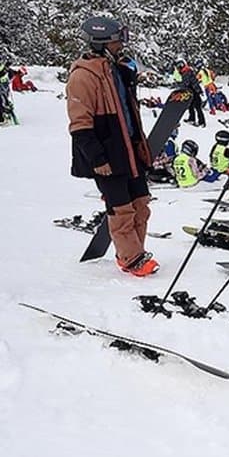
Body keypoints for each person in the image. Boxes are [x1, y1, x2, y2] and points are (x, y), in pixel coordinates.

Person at [66, 16, 158, 276]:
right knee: (121, 209)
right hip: (107, 154)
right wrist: (97, 158)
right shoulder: (83, 76)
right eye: (119, 40)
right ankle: (130, 259)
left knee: (141, 203)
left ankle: (136, 251)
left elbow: (127, 110)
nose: (122, 45)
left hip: (129, 150)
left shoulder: (114, 68)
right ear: (102, 42)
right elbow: (79, 124)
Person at [175, 58, 206, 128]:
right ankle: (191, 119)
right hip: (191, 91)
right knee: (190, 105)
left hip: (194, 91)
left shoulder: (187, 72)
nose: (177, 69)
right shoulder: (185, 72)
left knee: (197, 107)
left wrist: (178, 84)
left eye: (178, 67)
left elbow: (187, 83)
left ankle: (202, 122)